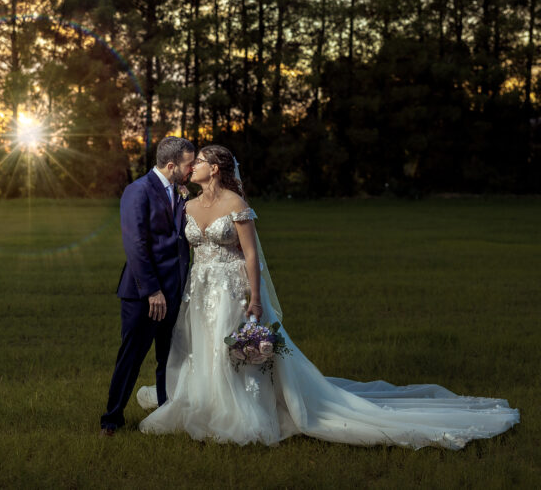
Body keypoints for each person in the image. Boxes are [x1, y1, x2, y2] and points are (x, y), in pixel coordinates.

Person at [135, 144, 520, 449]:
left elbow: (251, 255)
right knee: (201, 347)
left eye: (199, 161)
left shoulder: (236, 206)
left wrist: (255, 298)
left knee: (234, 351)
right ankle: (203, 405)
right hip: (198, 289)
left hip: (232, 288)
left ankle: (242, 413)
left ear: (214, 169)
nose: (192, 166)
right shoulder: (185, 205)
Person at [99, 136, 195, 436]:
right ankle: (111, 419)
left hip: (175, 290)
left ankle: (165, 417)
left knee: (169, 359)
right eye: (189, 165)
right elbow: (136, 244)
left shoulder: (179, 191)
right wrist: (152, 290)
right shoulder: (137, 191)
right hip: (144, 294)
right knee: (131, 357)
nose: (192, 170)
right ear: (171, 166)